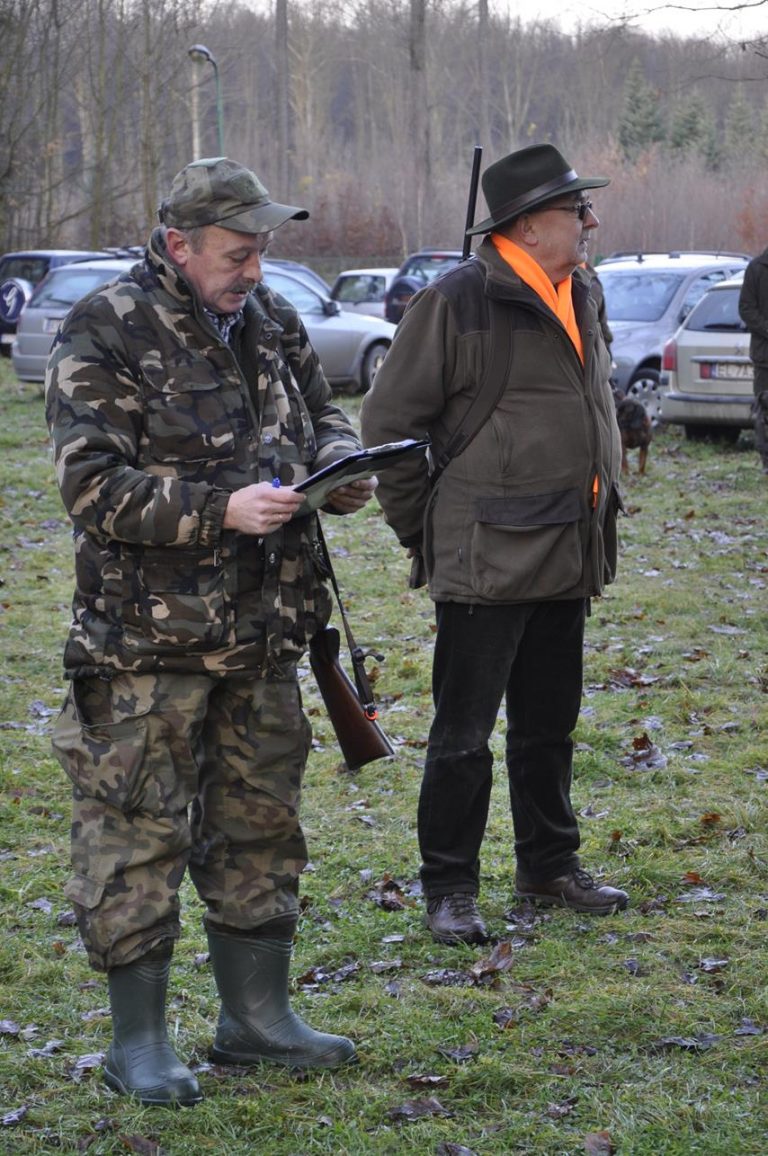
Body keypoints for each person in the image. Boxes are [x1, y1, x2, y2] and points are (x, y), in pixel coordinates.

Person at [45, 156, 376, 1106]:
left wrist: (341, 465)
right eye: (237, 252)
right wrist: (217, 509)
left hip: (266, 634)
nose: (256, 269)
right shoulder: (103, 327)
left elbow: (323, 415)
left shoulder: (270, 321)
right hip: (145, 649)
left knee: (260, 829)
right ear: (178, 245)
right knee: (136, 834)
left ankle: (256, 1021)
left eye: (263, 248)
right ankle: (138, 1044)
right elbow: (88, 485)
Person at [360, 143, 629, 946]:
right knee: (463, 737)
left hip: (569, 546)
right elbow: (388, 428)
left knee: (549, 725)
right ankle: (449, 888)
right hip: (485, 558)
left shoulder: (582, 290)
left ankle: (549, 864)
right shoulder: (457, 302)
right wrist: (425, 530)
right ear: (529, 224)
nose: (590, 221)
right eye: (576, 210)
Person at [737, 248, 768, 473]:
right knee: (763, 411)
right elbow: (746, 308)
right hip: (764, 357)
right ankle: (766, 460)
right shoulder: (756, 269)